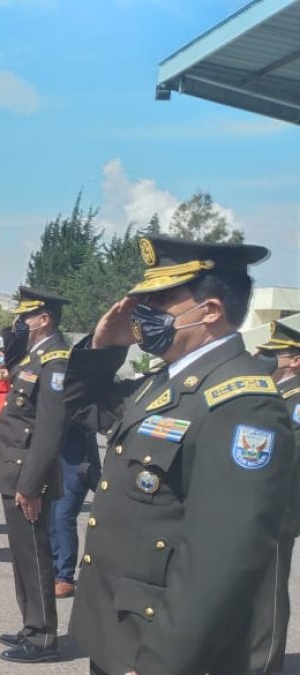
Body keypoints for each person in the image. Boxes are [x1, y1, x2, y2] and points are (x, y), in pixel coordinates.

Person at [65, 236, 295, 675]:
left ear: (210, 310)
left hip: (159, 644)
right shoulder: (164, 381)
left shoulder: (242, 403)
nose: (140, 310)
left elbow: (221, 558)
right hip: (120, 626)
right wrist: (103, 346)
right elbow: (82, 406)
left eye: (160, 299)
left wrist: (162, 664)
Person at [0, 286, 73, 664]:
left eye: (25, 317)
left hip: (28, 475)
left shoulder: (56, 360)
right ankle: (30, 625)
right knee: (22, 554)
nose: (18, 323)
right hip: (14, 469)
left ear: (43, 319)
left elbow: (49, 429)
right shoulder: (35, 356)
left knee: (34, 555)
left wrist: (32, 484)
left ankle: (43, 638)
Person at [249, 320, 300, 673]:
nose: (262, 358)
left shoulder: (297, 400)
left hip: (277, 508)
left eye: (272, 354)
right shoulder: (274, 393)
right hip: (254, 505)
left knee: (268, 592)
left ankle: (266, 665)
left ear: (295, 360)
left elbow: (289, 455)